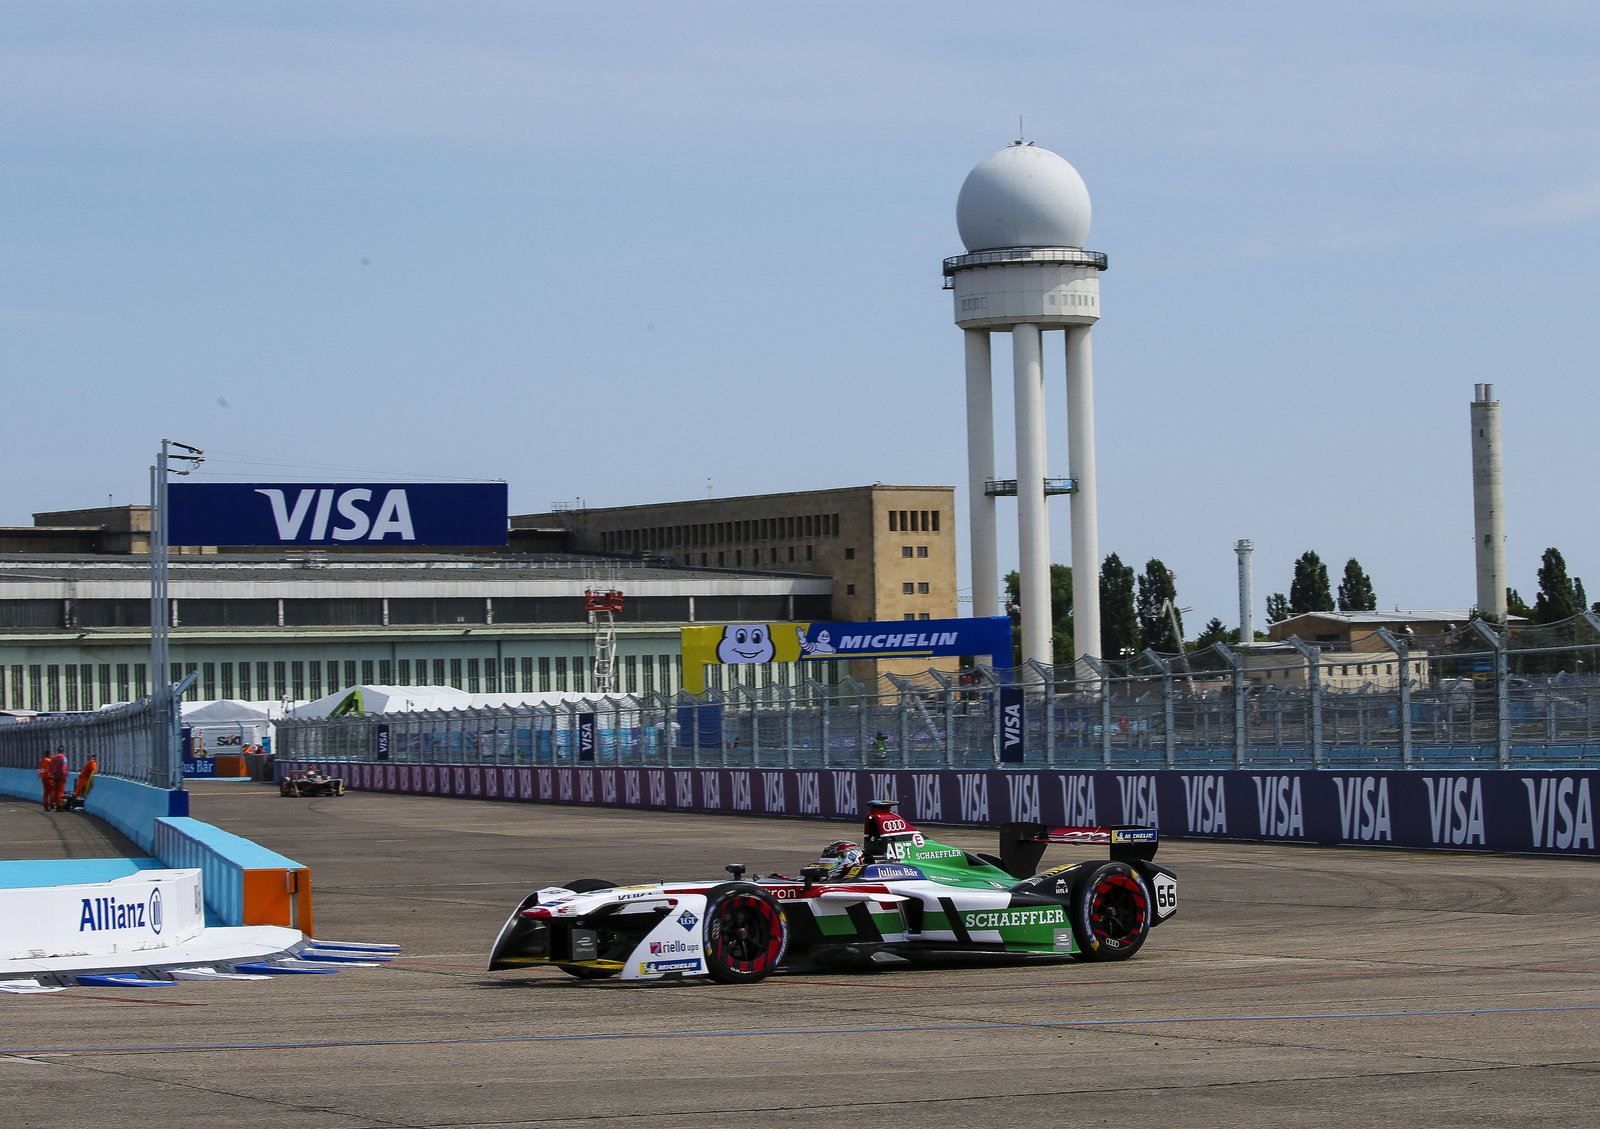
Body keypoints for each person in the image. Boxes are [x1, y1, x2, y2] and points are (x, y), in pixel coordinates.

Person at [44, 747, 69, 812]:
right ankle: (59, 806)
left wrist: (53, 774)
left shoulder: (53, 758)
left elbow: (50, 767)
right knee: (60, 792)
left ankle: (52, 804)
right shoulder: (64, 758)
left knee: (54, 792)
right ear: (63, 751)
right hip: (61, 777)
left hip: (54, 776)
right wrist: (63, 774)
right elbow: (64, 767)